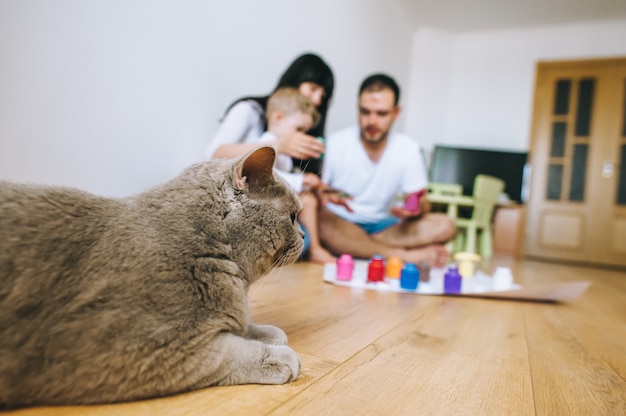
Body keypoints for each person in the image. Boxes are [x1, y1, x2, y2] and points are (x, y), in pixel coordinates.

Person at [319, 74, 456, 267]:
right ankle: (401, 255)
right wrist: (329, 195)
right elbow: (320, 193)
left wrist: (415, 208)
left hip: (384, 226)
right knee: (321, 221)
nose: (372, 121)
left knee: (445, 226)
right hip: (341, 222)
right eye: (365, 112)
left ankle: (356, 247)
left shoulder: (408, 149)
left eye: (381, 113)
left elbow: (422, 201)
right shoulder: (335, 143)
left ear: (396, 112)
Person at [205, 53, 334, 175]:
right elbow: (212, 155)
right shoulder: (249, 110)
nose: (317, 100)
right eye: (313, 89)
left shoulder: (304, 128)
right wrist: (279, 145)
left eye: (323, 96)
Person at [262, 87, 337, 264]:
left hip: (279, 206)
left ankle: (314, 248)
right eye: (299, 129)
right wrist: (302, 180)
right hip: (265, 205)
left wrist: (306, 180)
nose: (301, 136)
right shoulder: (265, 143)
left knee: (309, 200)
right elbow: (269, 175)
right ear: (278, 118)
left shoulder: (286, 155)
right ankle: (315, 248)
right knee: (308, 201)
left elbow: (286, 173)